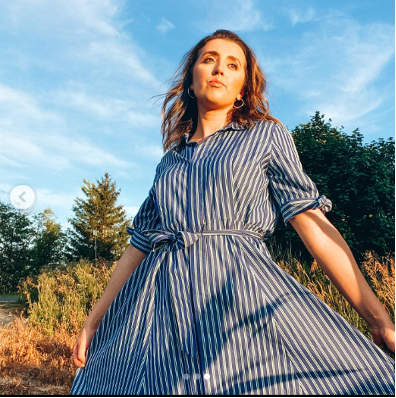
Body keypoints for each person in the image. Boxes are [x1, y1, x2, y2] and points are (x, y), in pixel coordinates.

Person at [70, 30, 395, 395]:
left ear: (242, 88)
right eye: (209, 60)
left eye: (232, 64)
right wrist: (94, 321)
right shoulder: (169, 163)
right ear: (192, 79)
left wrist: (377, 317)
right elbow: (137, 248)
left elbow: (313, 225)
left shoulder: (265, 136)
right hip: (159, 304)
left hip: (237, 294)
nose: (219, 70)